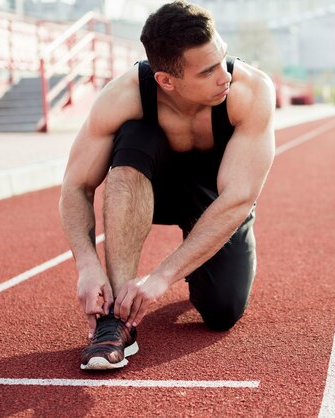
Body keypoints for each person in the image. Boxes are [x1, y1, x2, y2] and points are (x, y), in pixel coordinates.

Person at [59, 0, 275, 370]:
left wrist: (162, 276)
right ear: (166, 80)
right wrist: (86, 263)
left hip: (215, 201)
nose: (224, 76)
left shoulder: (250, 91)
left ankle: (194, 260)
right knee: (136, 138)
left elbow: (239, 198)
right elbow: (76, 186)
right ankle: (115, 322)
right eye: (207, 71)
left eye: (221, 59)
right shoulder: (123, 96)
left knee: (223, 310)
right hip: (146, 190)